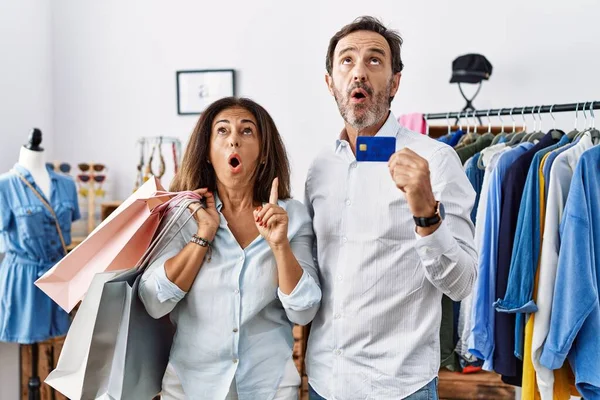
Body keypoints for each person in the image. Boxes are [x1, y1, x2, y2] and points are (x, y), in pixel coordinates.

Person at [304, 16, 478, 400]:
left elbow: (463, 283)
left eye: (375, 61)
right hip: (324, 382)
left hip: (400, 387)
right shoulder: (318, 170)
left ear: (395, 82)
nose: (359, 72)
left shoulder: (437, 160)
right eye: (346, 61)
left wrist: (426, 214)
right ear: (330, 81)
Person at [139, 97, 321, 400]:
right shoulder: (183, 214)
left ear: (263, 153)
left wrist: (279, 245)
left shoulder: (292, 216)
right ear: (208, 152)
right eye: (222, 131)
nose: (234, 138)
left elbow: (304, 310)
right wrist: (203, 235)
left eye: (247, 131)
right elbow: (154, 301)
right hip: (190, 385)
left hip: (269, 385)